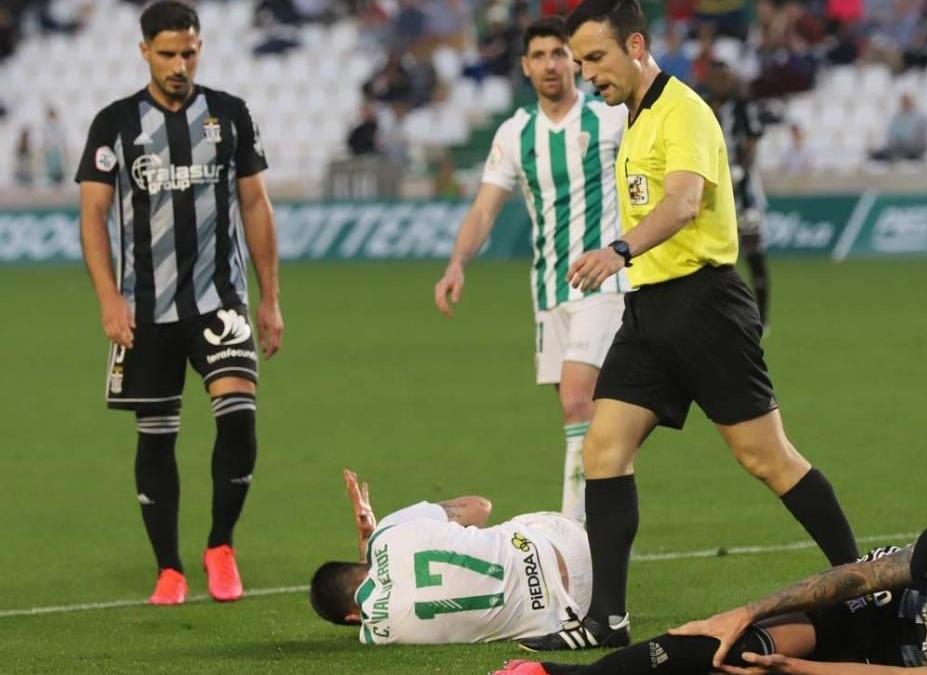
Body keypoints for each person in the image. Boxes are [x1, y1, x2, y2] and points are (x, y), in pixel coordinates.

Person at [518, 0, 858, 652]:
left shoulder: (685, 111)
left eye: (597, 58)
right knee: (603, 449)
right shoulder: (633, 119)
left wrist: (617, 249)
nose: (588, 74)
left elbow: (681, 201)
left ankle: (861, 577)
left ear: (636, 45)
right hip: (648, 312)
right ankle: (606, 619)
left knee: (765, 456)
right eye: (581, 61)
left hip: (706, 306)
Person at [75, 0, 284, 606]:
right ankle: (168, 567)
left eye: (189, 51)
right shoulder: (114, 123)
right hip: (146, 309)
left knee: (239, 417)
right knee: (157, 435)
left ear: (200, 47)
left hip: (220, 300)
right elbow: (93, 216)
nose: (179, 64)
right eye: (167, 53)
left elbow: (256, 206)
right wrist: (109, 299)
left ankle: (221, 545)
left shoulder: (230, 114)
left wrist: (270, 298)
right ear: (144, 51)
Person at [434, 16, 629, 525]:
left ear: (576, 61)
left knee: (576, 403)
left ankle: (573, 536)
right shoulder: (516, 133)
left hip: (605, 284)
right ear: (525, 66)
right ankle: (611, 504)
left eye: (560, 54)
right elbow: (483, 210)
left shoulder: (609, 118)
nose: (550, 64)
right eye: (539, 55)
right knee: (588, 421)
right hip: (548, 292)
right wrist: (457, 262)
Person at [497, 522, 927, 675]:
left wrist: (802, 671)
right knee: (730, 647)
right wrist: (746, 612)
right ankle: (547, 673)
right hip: (870, 615)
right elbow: (867, 578)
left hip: (886, 669)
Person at [310, 470, 592, 645]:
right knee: (489, 535)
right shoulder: (388, 531)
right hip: (566, 543)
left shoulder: (379, 635)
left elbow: (381, 600)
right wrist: (373, 538)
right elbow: (480, 507)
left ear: (351, 618)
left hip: (571, 609)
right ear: (357, 564)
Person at [706, 61, 770, 330]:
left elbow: (752, 142)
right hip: (711, 194)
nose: (723, 82)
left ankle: (763, 318)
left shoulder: (742, 108)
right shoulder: (701, 106)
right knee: (713, 257)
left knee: (753, 252)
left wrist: (741, 170)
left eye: (726, 77)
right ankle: (719, 312)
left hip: (744, 193)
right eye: (718, 77)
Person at [869, 93, 927, 162]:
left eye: (907, 102)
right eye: (903, 102)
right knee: (879, 153)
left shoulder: (921, 117)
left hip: (913, 147)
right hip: (897, 146)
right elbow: (891, 135)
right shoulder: (897, 117)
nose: (905, 104)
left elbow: (924, 136)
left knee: (902, 153)